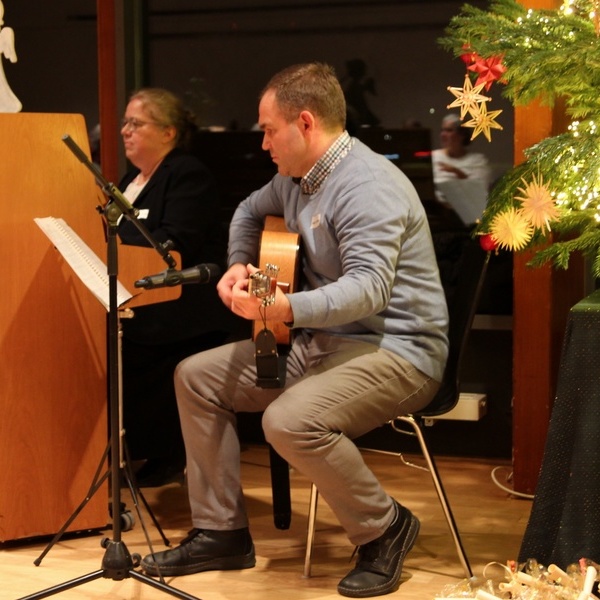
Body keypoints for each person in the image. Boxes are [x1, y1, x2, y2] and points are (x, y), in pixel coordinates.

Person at [140, 64, 449, 598]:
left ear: (304, 123)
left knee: (289, 421)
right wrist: (239, 262)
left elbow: (370, 290)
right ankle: (221, 532)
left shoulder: (368, 186)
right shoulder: (295, 180)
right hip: (324, 343)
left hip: (398, 351)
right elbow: (244, 211)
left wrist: (286, 308)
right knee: (196, 377)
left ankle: (386, 527)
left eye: (267, 129)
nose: (261, 143)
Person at [117, 88, 241, 487]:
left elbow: (175, 245)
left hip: (182, 306)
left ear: (168, 132)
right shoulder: (130, 181)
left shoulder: (187, 173)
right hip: (138, 296)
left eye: (136, 123)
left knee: (125, 345)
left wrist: (118, 253)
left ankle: (162, 451)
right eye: (125, 123)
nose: (124, 131)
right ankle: (116, 452)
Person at [431, 113, 491, 224]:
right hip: (438, 217)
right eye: (442, 130)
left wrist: (457, 172)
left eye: (449, 130)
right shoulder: (434, 158)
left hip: (468, 219)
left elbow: (479, 193)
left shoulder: (478, 161)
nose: (443, 134)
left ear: (462, 134)